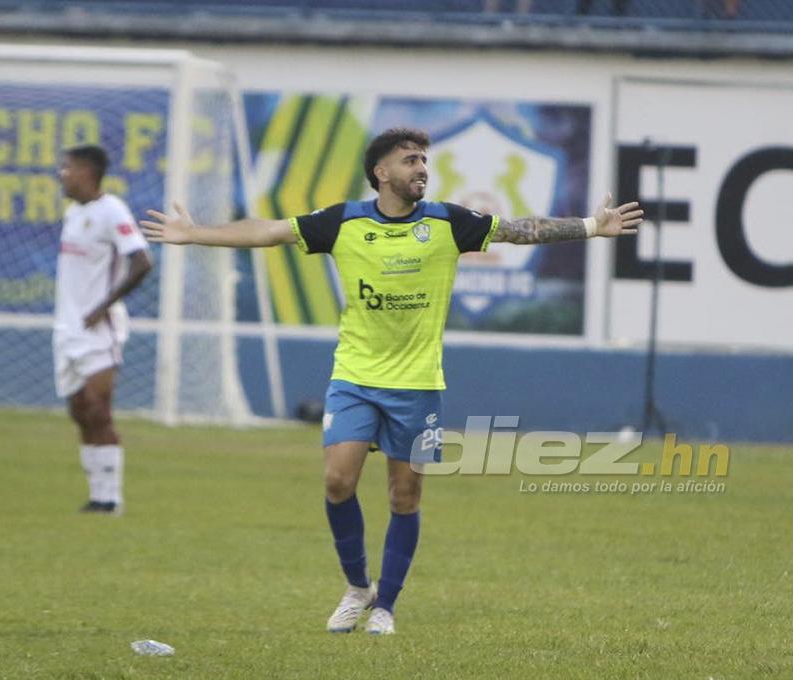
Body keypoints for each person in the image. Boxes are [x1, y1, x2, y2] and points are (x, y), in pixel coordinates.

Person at [140, 127, 643, 635]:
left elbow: (518, 229)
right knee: (338, 481)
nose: (421, 168)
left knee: (405, 497)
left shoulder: (449, 221)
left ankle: (387, 606)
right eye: (409, 160)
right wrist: (196, 232)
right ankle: (358, 588)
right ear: (381, 173)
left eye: (424, 160)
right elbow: (269, 231)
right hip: (354, 376)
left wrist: (589, 225)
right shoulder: (344, 222)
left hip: (418, 384)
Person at [54, 144, 152, 516]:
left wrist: (103, 307)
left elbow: (142, 262)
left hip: (99, 329)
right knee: (79, 409)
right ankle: (96, 496)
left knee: (98, 409)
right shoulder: (74, 213)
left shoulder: (112, 211)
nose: (62, 174)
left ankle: (112, 499)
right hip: (67, 328)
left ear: (87, 172)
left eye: (68, 168)